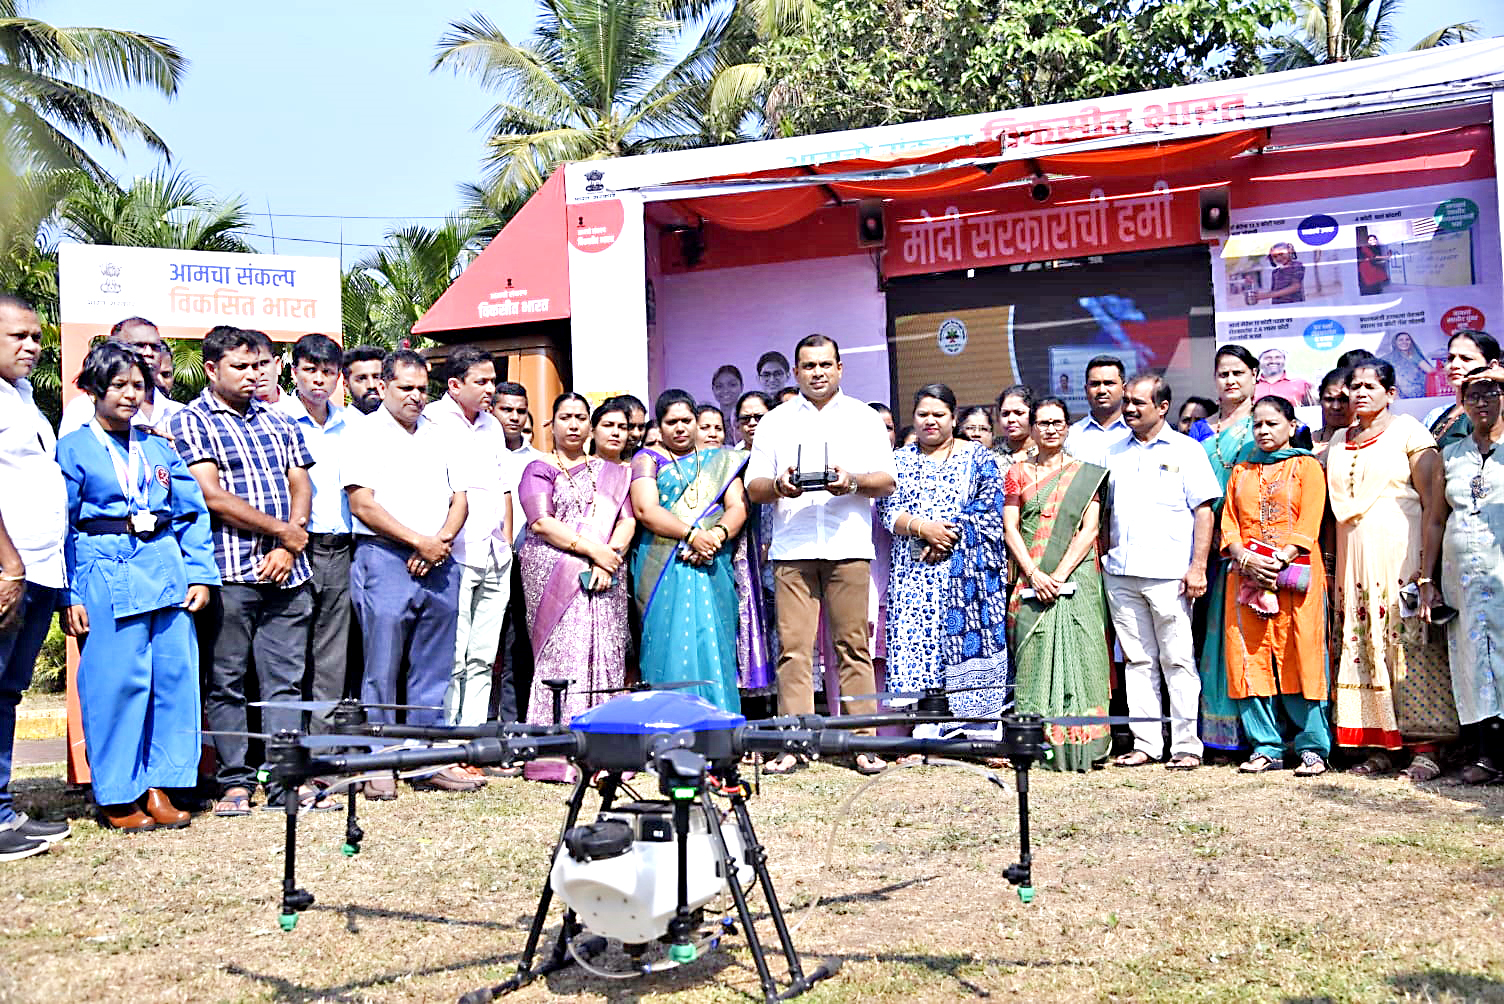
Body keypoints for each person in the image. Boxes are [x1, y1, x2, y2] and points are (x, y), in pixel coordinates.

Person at [58, 343, 217, 830]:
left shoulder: (158, 447)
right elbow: (60, 525)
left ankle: (160, 784)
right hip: (105, 570)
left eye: (138, 386)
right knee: (117, 684)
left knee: (172, 680)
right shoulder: (75, 448)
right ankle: (118, 793)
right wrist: (70, 594)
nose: (130, 395)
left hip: (164, 569)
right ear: (93, 390)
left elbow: (191, 512)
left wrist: (199, 572)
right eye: (118, 385)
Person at [167, 326, 313, 815]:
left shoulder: (279, 419)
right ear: (212, 369)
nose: (253, 374)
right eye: (241, 366)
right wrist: (283, 532)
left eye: (259, 365)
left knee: (285, 682)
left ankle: (285, 779)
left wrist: (289, 543)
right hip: (229, 571)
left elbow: (301, 483)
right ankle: (235, 782)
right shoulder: (192, 422)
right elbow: (212, 497)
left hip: (288, 573)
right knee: (226, 680)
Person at [746, 335, 896, 775]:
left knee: (853, 646)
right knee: (793, 651)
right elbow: (754, 486)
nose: (817, 373)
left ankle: (862, 743)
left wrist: (852, 482)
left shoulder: (863, 417)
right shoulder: (774, 421)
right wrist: (779, 485)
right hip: (793, 548)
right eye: (808, 366)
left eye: (825, 364)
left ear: (839, 368)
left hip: (847, 544)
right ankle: (794, 745)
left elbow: (887, 481)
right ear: (795, 371)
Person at [343, 349, 476, 796]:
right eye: (406, 388)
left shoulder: (441, 434)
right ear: (383, 387)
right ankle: (380, 759)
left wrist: (438, 542)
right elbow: (362, 504)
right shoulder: (362, 433)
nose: (416, 396)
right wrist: (418, 541)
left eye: (422, 388)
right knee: (382, 664)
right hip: (384, 557)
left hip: (440, 558)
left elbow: (460, 498)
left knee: (434, 665)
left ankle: (426, 759)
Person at [1326, 360, 1455, 779]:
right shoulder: (1338, 442)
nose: (1361, 393)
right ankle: (1379, 746)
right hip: (1354, 565)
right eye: (1355, 386)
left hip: (1402, 558)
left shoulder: (1409, 433)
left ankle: (1426, 749)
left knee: (1409, 645)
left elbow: (1434, 506)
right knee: (1363, 644)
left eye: (1371, 385)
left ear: (1391, 393)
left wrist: (1426, 569)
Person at [877, 383, 1009, 747]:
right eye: (923, 414)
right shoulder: (898, 460)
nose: (930, 421)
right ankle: (927, 727)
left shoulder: (978, 457)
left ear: (954, 418)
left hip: (965, 574)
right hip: (913, 571)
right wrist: (925, 530)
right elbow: (888, 510)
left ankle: (976, 729)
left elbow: (989, 507)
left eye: (939, 414)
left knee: (964, 643)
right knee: (923, 647)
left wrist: (946, 537)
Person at [1103, 374, 1220, 770]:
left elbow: (1204, 512)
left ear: (1163, 407)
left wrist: (1198, 567)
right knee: (1138, 662)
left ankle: (1186, 746)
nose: (1129, 409)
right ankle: (1146, 744)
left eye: (1138, 402)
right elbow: (1101, 513)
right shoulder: (1113, 452)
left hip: (1171, 575)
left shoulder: (1187, 450)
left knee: (1178, 661)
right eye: (1127, 402)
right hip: (1121, 572)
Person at [517, 393, 635, 782]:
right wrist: (593, 551)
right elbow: (541, 522)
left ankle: (607, 751)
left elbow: (626, 520)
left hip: (606, 572)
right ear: (551, 423)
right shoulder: (538, 468)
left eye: (581, 417)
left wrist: (608, 556)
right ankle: (557, 752)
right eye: (565, 417)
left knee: (605, 653)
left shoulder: (610, 471)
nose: (573, 424)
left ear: (589, 425)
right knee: (564, 656)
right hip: (554, 571)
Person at [1219, 396, 1331, 776]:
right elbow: (1229, 522)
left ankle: (1312, 747)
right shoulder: (1242, 470)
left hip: (1296, 575)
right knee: (1248, 655)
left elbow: (1310, 522)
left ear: (1291, 425)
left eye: (1272, 424)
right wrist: (1246, 559)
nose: (1264, 431)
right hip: (1246, 576)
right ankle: (1265, 746)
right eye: (1258, 425)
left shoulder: (1307, 466)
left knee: (1302, 654)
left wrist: (1279, 560)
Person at [1003, 396, 1112, 771]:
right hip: (1030, 575)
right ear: (1033, 428)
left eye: (1058, 423)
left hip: (1076, 576)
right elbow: (1011, 528)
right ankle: (1038, 744)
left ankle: (1087, 747)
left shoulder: (1086, 474)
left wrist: (1058, 575)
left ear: (1067, 427)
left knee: (1084, 653)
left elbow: (1090, 530)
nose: (1051, 429)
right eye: (1043, 423)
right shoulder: (1018, 472)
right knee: (1033, 654)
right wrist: (1035, 574)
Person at [0, 294, 71, 859]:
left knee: (7, 692)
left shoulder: (22, 396)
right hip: (10, 570)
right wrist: (9, 565)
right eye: (17, 336)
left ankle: (3, 809)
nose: (31, 346)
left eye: (37, 337)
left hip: (40, 570)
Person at [630, 390, 746, 711]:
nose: (680, 428)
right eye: (671, 422)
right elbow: (645, 510)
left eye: (686, 420)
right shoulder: (647, 459)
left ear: (696, 421)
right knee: (667, 640)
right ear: (659, 425)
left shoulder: (719, 461)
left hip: (712, 560)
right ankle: (667, 721)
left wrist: (716, 535)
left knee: (712, 639)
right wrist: (692, 535)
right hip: (662, 565)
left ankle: (719, 722)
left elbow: (737, 507)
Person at [424, 348, 514, 740]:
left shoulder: (492, 425)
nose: (490, 389)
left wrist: (506, 542)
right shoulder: (432, 420)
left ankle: (474, 739)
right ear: (455, 384)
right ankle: (448, 740)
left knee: (482, 656)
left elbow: (503, 487)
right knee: (453, 655)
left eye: (493, 380)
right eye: (482, 381)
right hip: (455, 555)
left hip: (495, 553)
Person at [1421, 362, 1504, 784]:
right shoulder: (1451, 454)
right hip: (1463, 578)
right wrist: (1426, 579)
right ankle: (1487, 757)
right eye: (1473, 395)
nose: (1482, 402)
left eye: (1491, 392)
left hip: (1501, 572)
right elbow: (1436, 519)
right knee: (1473, 661)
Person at [275, 334, 355, 732]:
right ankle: (288, 744)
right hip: (294, 546)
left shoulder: (351, 424)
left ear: (339, 376)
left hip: (341, 547)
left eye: (328, 371)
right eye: (310, 370)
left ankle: (323, 744)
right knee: (289, 653)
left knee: (331, 654)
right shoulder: (276, 420)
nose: (319, 379)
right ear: (294, 372)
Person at [1188, 345, 1261, 753]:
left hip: (1252, 547)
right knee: (1208, 636)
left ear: (1255, 375)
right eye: (1223, 374)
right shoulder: (1200, 431)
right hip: (1204, 546)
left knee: (1250, 635)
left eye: (1238, 372)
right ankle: (1216, 733)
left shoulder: (1266, 423)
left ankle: (1259, 733)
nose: (1230, 380)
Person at [489, 380, 543, 723]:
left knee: (517, 646)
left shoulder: (539, 461)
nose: (513, 417)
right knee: (481, 648)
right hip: (484, 559)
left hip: (525, 563)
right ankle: (481, 721)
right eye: (506, 409)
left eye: (520, 411)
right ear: (491, 409)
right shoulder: (477, 451)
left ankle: (513, 722)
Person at [58, 317, 183, 437]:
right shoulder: (83, 408)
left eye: (155, 347)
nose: (149, 353)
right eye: (139, 345)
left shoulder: (179, 412)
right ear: (115, 349)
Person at [734, 392, 777, 706]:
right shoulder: (728, 461)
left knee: (779, 637)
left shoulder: (782, 456)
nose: (752, 424)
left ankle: (781, 715)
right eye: (745, 419)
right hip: (740, 562)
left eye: (758, 417)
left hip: (777, 561)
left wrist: (769, 545)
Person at [1423, 331, 1501, 450]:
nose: (1454, 365)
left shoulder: (1497, 412)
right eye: (1450, 358)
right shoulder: (1435, 415)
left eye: (1466, 358)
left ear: (1492, 366)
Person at [1068, 355, 1130, 464]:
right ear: (1086, 389)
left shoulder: (1137, 432)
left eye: (1109, 383)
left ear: (1124, 389)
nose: (1102, 390)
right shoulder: (1071, 436)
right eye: (1095, 384)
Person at [1378, 331, 1436, 399]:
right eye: (1401, 340)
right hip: (1398, 397)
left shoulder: (1415, 357)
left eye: (1407, 339)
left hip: (1418, 396)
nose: (1404, 342)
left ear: (1411, 342)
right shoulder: (1387, 359)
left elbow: (1430, 371)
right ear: (1395, 343)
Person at [1312, 369, 1353, 456]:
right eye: (1329, 399)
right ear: (1320, 401)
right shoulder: (1307, 443)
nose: (1336, 407)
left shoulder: (1366, 441)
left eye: (1343, 400)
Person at [993, 385, 1036, 466]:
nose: (1011, 419)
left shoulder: (1049, 454)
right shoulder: (990, 459)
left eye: (1019, 413)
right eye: (1005, 414)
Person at [341, 344, 386, 416]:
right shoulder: (340, 423)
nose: (371, 385)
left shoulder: (400, 420)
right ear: (346, 386)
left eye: (376, 377)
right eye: (361, 378)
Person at [590, 399, 631, 464]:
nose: (616, 433)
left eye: (622, 427)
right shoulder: (580, 467)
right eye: (608, 425)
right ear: (592, 431)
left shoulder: (634, 470)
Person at [614, 393, 649, 458]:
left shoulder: (647, 458)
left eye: (641, 427)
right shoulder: (596, 461)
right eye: (629, 427)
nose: (636, 434)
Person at [711, 364, 743, 430]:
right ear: (713, 389)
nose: (725, 390)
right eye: (719, 386)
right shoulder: (710, 421)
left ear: (741, 386)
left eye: (732, 385)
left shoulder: (749, 419)